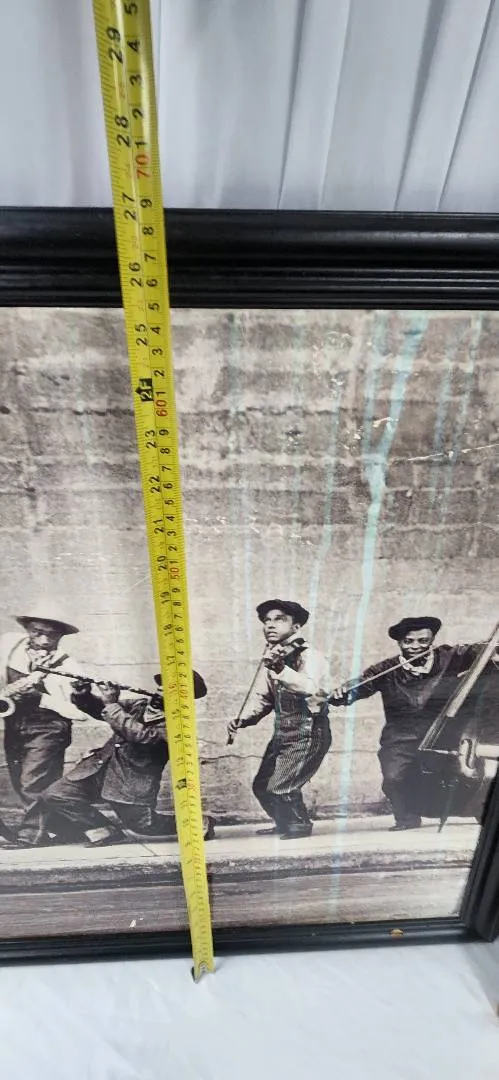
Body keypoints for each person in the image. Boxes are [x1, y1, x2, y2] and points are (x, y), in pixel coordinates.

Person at [330, 616, 481, 830]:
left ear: (432, 640)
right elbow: (360, 686)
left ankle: (476, 809)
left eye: (423, 640)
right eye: (408, 641)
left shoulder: (451, 656)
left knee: (460, 773)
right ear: (400, 642)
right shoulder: (385, 669)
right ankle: (406, 817)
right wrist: (342, 693)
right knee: (393, 777)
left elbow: (481, 653)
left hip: (444, 731)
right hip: (401, 733)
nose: (415, 646)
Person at [41, 669, 215, 847]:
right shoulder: (140, 705)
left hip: (130, 782)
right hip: (100, 768)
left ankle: (198, 823)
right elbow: (102, 710)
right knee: (56, 795)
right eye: (163, 684)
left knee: (144, 826)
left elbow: (137, 734)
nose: (162, 689)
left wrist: (112, 703)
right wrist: (84, 695)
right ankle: (105, 831)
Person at [227, 599, 331, 839]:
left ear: (296, 627)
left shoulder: (310, 655)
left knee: (281, 786)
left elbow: (310, 687)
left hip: (308, 730)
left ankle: (299, 826)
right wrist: (243, 719)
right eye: (267, 621)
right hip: (283, 732)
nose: (270, 625)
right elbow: (265, 698)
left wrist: (280, 669)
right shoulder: (274, 656)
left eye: (279, 620)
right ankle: (284, 823)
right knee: (262, 786)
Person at [0, 603, 88, 845]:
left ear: (61, 635)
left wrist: (40, 697)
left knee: (33, 781)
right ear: (27, 628)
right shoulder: (9, 645)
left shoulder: (68, 666)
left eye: (52, 634)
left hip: (49, 727)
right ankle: (64, 829)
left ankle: (32, 835)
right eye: (37, 632)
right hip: (15, 724)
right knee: (20, 779)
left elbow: (76, 712)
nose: (44, 640)